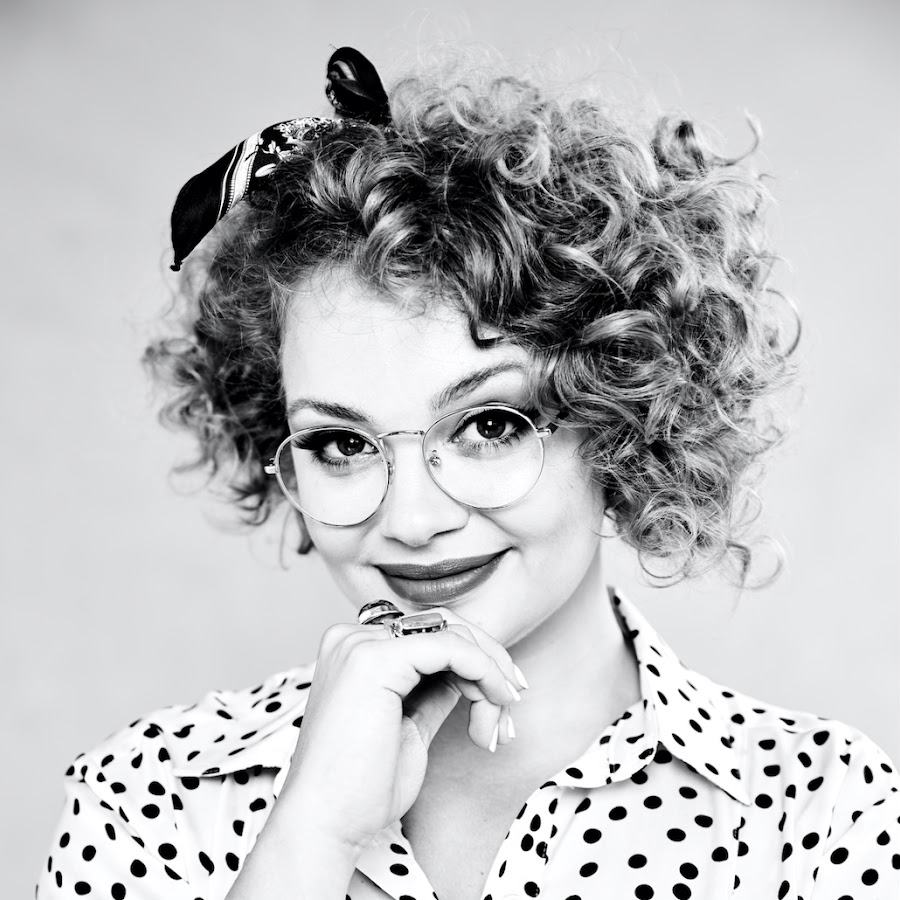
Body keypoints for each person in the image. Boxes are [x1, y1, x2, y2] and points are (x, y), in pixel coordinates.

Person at [37, 47, 898, 900]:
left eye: (489, 426)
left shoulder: (820, 815)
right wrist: (310, 839)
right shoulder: (149, 800)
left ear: (620, 422)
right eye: (341, 444)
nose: (412, 519)